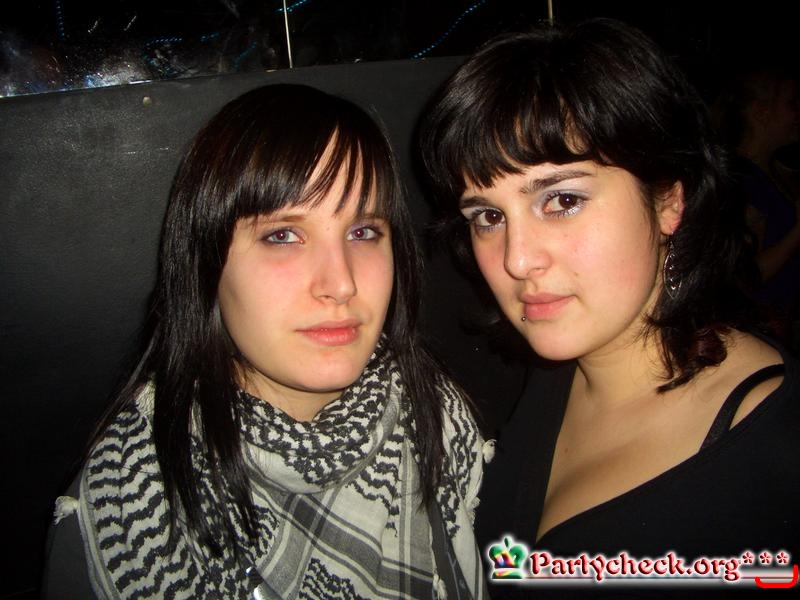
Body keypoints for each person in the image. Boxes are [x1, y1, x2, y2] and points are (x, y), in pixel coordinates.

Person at [41, 83, 487, 599]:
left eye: (363, 232)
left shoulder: (439, 418)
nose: (341, 283)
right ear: (207, 266)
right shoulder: (128, 503)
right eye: (283, 236)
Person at [419, 18, 800, 597]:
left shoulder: (775, 454)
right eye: (488, 217)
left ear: (668, 200)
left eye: (562, 200)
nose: (517, 260)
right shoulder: (559, 371)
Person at [712, 64, 800, 348]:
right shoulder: (736, 182)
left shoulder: (779, 172)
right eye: (791, 103)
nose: (798, 113)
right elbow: (744, 278)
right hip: (759, 335)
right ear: (762, 112)